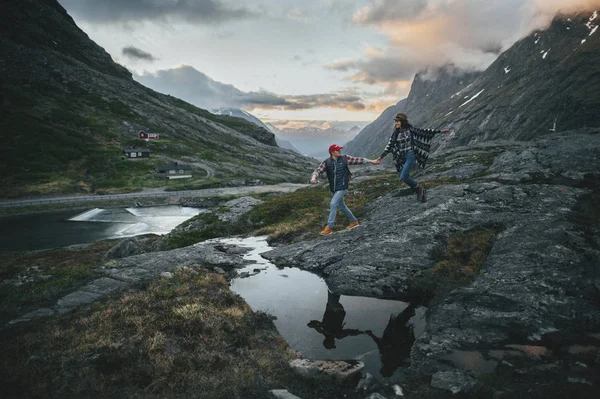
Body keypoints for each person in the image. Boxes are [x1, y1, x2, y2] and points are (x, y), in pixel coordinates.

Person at [376, 113, 451, 202]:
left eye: (397, 121)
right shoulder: (395, 134)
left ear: (402, 122)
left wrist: (440, 131)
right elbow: (389, 146)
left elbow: (425, 131)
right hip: (401, 158)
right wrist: (381, 157)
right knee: (403, 177)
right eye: (395, 121)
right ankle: (420, 192)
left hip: (410, 156)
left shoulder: (411, 130)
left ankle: (419, 188)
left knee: (404, 177)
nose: (396, 123)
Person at [311, 144, 379, 235]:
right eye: (337, 150)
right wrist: (314, 177)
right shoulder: (326, 162)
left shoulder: (345, 159)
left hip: (342, 186)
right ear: (332, 152)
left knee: (333, 204)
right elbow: (318, 170)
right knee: (342, 206)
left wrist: (373, 161)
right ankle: (354, 221)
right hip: (333, 189)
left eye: (339, 150)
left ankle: (329, 227)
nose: (340, 151)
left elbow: (360, 160)